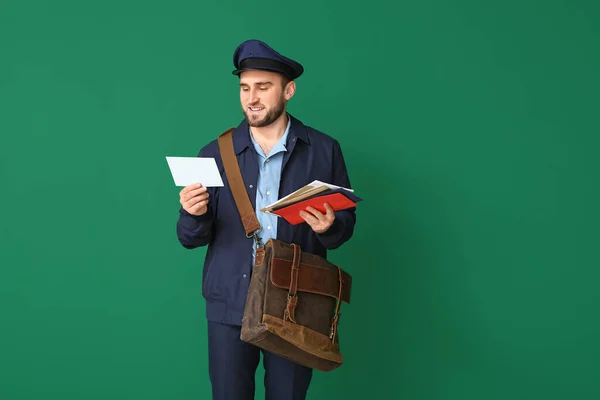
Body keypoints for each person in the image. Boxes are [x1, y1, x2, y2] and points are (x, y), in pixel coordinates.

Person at [176, 39, 357, 400]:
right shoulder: (213, 153)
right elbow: (189, 237)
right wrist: (192, 213)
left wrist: (329, 226)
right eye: (245, 88)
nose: (252, 98)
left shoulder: (324, 150)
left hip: (296, 304)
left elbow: (343, 229)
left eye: (263, 87)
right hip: (229, 302)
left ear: (288, 90)